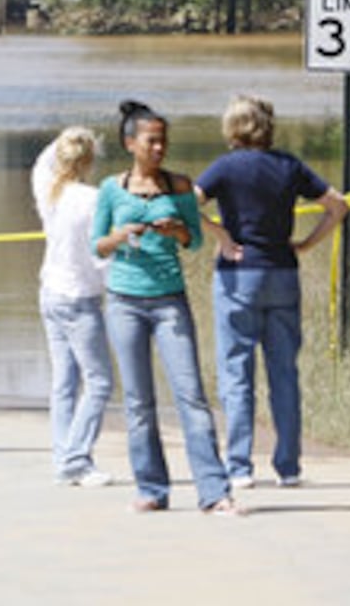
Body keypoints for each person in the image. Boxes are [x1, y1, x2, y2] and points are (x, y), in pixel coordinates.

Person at [194, 94, 349, 489]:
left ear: (233, 128)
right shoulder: (288, 165)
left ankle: (240, 466)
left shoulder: (226, 167)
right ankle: (289, 465)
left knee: (236, 372)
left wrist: (221, 235)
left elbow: (185, 204)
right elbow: (337, 206)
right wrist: (309, 243)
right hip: (282, 270)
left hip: (238, 274)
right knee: (284, 372)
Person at [93, 100, 239, 515]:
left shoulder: (179, 186)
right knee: (138, 401)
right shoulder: (110, 189)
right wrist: (121, 235)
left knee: (190, 395)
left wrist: (177, 231)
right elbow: (96, 245)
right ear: (130, 143)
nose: (159, 149)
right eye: (151, 141)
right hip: (124, 302)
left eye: (163, 141)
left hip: (169, 300)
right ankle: (152, 488)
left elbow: (194, 240)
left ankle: (214, 491)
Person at [32, 126, 114, 487]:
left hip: (51, 292)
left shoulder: (49, 191)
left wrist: (67, 136)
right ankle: (76, 459)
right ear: (89, 161)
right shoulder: (92, 198)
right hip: (79, 298)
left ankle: (63, 455)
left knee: (65, 382)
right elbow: (100, 254)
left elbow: (41, 162)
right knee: (98, 383)